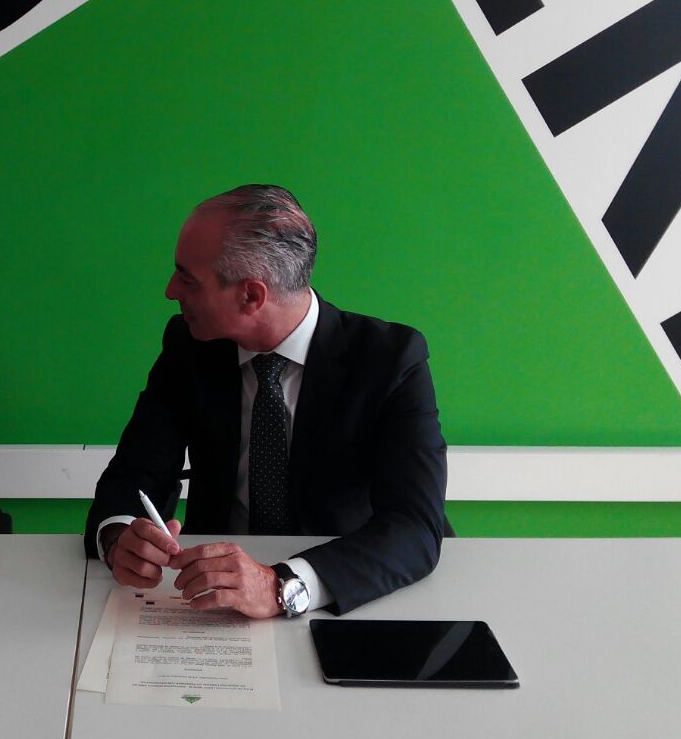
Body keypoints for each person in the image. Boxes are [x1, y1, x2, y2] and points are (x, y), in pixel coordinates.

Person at [86, 185, 447, 618]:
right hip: (208, 601)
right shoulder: (189, 346)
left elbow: (415, 528)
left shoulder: (390, 360)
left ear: (251, 296)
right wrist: (119, 536)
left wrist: (281, 585)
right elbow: (135, 473)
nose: (169, 290)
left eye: (187, 279)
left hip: (344, 599)